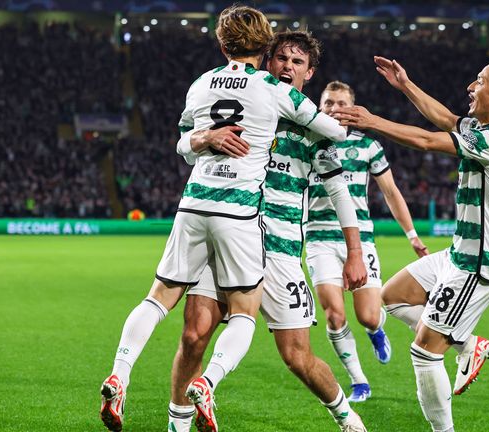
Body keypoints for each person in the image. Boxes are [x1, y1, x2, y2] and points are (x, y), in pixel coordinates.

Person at [99, 6, 349, 432]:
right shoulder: (272, 88)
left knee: (158, 297)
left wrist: (203, 137)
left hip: (193, 204)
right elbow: (338, 131)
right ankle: (207, 384)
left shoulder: (201, 83)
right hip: (238, 214)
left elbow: (181, 142)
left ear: (221, 43)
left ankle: (119, 373)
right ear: (266, 48)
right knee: (243, 313)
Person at [170, 31, 368, 432]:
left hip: (279, 248)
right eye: (281, 58)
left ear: (309, 73)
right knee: (194, 335)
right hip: (227, 235)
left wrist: (355, 252)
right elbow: (189, 145)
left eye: (297, 62)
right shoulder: (244, 107)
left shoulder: (313, 128)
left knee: (297, 357)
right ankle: (177, 425)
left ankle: (347, 418)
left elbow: (339, 191)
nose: (287, 67)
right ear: (267, 60)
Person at [333, 57, 489, 432]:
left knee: (424, 353)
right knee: (391, 296)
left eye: (481, 81)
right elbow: (447, 120)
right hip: (459, 253)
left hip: (477, 265)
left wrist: (372, 122)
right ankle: (467, 345)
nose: (472, 85)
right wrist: (405, 85)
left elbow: (425, 140)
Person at [304, 80, 429, 402]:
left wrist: (412, 235)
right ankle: (359, 381)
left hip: (359, 240)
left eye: (342, 103)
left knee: (368, 316)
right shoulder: (305, 142)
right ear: (320, 106)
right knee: (334, 314)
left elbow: (390, 192)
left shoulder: (368, 147)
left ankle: (376, 330)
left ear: (353, 108)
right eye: (329, 102)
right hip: (318, 237)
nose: (335, 108)